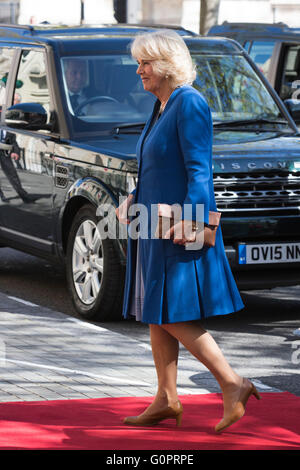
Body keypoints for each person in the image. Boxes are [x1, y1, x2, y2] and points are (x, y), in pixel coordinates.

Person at [115, 30, 261, 434]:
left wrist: (193, 220)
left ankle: (233, 383)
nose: (139, 70)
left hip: (178, 227)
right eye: (139, 62)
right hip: (153, 223)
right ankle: (166, 398)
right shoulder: (161, 105)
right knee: (156, 313)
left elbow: (199, 170)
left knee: (174, 314)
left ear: (166, 65)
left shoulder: (189, 103)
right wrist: (133, 197)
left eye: (145, 63)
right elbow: (160, 165)